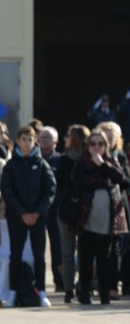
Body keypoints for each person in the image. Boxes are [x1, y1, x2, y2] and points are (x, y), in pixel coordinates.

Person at [71, 130, 129, 305]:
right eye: (93, 144)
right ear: (87, 146)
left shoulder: (111, 161)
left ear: (106, 146)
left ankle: (104, 295)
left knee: (104, 259)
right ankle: (84, 294)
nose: (96, 147)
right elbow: (78, 182)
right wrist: (104, 182)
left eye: (100, 144)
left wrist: (103, 165)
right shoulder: (81, 163)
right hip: (86, 218)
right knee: (86, 259)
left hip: (106, 220)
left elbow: (121, 178)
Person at [1, 125, 56, 306]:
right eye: (23, 139)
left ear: (35, 142)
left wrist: (38, 212)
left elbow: (50, 189)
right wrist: (22, 213)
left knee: (39, 256)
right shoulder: (11, 165)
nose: (26, 143)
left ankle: (41, 292)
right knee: (15, 255)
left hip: (37, 218)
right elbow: (7, 192)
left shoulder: (41, 164)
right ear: (17, 141)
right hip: (17, 218)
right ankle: (13, 293)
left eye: (30, 140)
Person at [56, 125, 87, 303]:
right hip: (84, 209)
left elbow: (60, 187)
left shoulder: (65, 160)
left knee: (67, 252)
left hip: (67, 209)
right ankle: (83, 285)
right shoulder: (87, 160)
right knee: (84, 250)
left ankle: (69, 289)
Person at [37, 126, 65, 293]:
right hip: (37, 210)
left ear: (56, 141)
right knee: (37, 248)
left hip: (56, 210)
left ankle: (60, 280)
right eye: (42, 137)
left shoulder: (61, 161)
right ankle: (36, 282)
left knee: (58, 248)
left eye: (48, 137)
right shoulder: (33, 158)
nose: (44, 140)